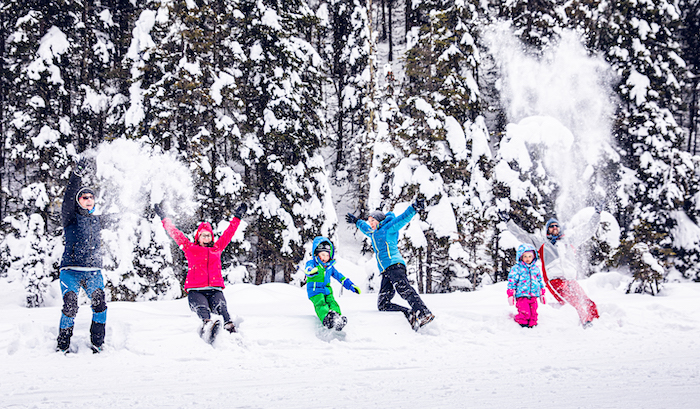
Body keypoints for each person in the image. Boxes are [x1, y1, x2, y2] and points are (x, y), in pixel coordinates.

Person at [154, 202, 246, 341]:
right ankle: (208, 326)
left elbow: (229, 233)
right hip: (196, 290)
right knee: (202, 308)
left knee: (222, 307)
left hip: (215, 290)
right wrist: (163, 218)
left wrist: (237, 217)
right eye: (203, 235)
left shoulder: (217, 248)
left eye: (208, 235)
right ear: (198, 237)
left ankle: (230, 329)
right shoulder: (190, 248)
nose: (206, 238)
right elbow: (175, 233)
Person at [504, 205, 602, 327]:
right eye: (551, 226)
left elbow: (588, 230)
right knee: (572, 301)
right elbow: (523, 235)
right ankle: (585, 322)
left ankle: (597, 322)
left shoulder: (569, 242)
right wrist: (508, 222)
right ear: (547, 230)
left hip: (571, 280)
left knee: (586, 301)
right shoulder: (543, 244)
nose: (554, 228)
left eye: (556, 226)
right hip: (554, 280)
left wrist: (597, 214)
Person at [346, 198, 435, 330]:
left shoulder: (389, 227)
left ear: (380, 220)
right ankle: (410, 315)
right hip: (386, 271)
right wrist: (356, 221)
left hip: (395, 266)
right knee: (383, 304)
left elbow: (402, 219)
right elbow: (365, 229)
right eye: (369, 221)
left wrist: (414, 208)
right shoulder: (373, 233)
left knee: (403, 289)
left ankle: (423, 313)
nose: (370, 223)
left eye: (373, 221)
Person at [57, 157, 114, 353]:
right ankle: (62, 344)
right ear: (78, 201)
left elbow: (122, 215)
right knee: (71, 305)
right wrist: (77, 174)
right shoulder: (70, 217)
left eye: (91, 197)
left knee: (100, 305)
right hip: (70, 270)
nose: (88, 200)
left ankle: (98, 343)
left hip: (93, 272)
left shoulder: (99, 220)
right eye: (84, 197)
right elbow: (69, 195)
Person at [304, 237, 360, 331]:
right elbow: (307, 269)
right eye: (323, 255)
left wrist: (350, 285)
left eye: (327, 255)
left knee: (332, 302)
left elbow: (340, 277)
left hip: (327, 290)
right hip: (315, 291)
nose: (325, 257)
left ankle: (337, 317)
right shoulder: (312, 263)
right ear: (316, 254)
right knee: (321, 303)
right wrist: (311, 271)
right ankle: (326, 319)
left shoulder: (330, 267)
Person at [507, 243, 546, 328]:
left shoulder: (535, 269)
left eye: (530, 256)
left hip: (533, 295)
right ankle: (522, 322)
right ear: (521, 257)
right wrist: (510, 293)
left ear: (533, 257)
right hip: (521, 295)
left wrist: (542, 293)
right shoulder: (517, 268)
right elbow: (512, 280)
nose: (528, 259)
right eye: (525, 256)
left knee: (533, 311)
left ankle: (533, 323)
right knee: (524, 310)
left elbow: (539, 281)